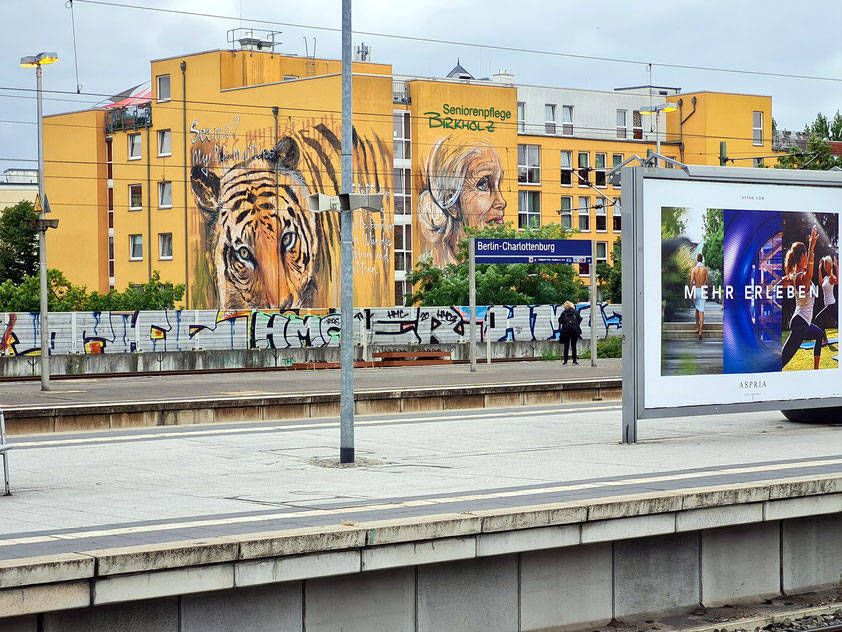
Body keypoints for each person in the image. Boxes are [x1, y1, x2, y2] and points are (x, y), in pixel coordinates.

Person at [418, 137, 507, 267]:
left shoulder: (502, 267)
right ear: (451, 204)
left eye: (499, 183)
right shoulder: (432, 268)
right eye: (483, 184)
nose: (501, 201)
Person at [781, 227, 824, 370]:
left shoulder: (794, 276)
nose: (807, 258)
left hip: (803, 323)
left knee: (819, 335)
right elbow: (808, 277)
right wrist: (812, 248)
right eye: (806, 255)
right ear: (803, 257)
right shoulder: (800, 277)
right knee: (782, 360)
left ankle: (816, 370)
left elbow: (783, 282)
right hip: (800, 323)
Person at [813, 255, 838, 347]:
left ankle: (825, 339)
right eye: (824, 264)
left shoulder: (831, 277)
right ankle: (825, 338)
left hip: (831, 304)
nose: (824, 265)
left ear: (829, 265)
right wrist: (819, 268)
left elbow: (837, 281)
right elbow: (820, 282)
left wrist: (836, 267)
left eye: (826, 264)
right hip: (828, 304)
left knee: (818, 318)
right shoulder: (826, 278)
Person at [689, 253, 709, 340]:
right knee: (702, 311)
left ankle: (697, 327)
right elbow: (707, 283)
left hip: (696, 290)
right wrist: (706, 291)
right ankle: (700, 331)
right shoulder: (705, 270)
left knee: (697, 310)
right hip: (702, 290)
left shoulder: (694, 269)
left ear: (697, 259)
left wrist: (691, 293)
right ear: (702, 259)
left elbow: (691, 282)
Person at [558, 301, 583, 365]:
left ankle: (565, 361)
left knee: (566, 346)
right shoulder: (575, 312)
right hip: (575, 331)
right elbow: (580, 319)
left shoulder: (564, 312)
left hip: (566, 331)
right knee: (574, 346)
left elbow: (560, 321)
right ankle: (574, 361)